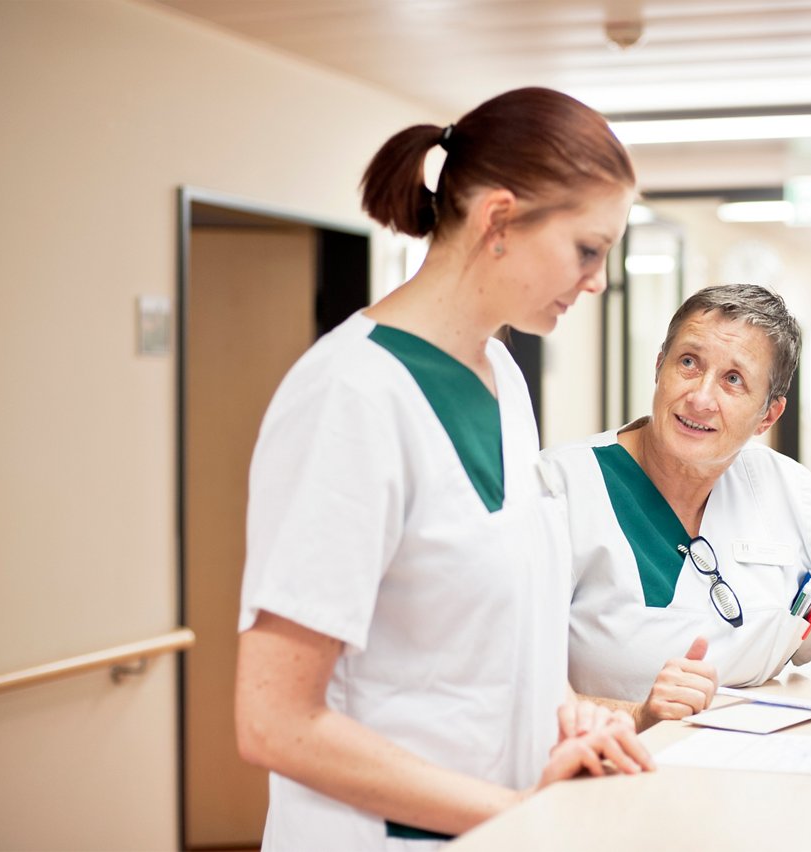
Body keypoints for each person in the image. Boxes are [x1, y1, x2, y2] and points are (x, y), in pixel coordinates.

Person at [233, 87, 654, 851]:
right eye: (587, 249)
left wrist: (569, 710)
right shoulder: (349, 397)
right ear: (497, 220)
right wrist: (515, 813)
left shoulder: (502, 374)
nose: (597, 280)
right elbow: (273, 721)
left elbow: (494, 625)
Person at [543, 284, 811, 731]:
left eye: (734, 380)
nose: (700, 397)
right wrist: (638, 716)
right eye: (689, 363)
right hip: (605, 771)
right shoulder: (558, 489)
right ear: (659, 367)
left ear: (768, 416)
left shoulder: (791, 492)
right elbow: (507, 683)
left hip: (754, 767)